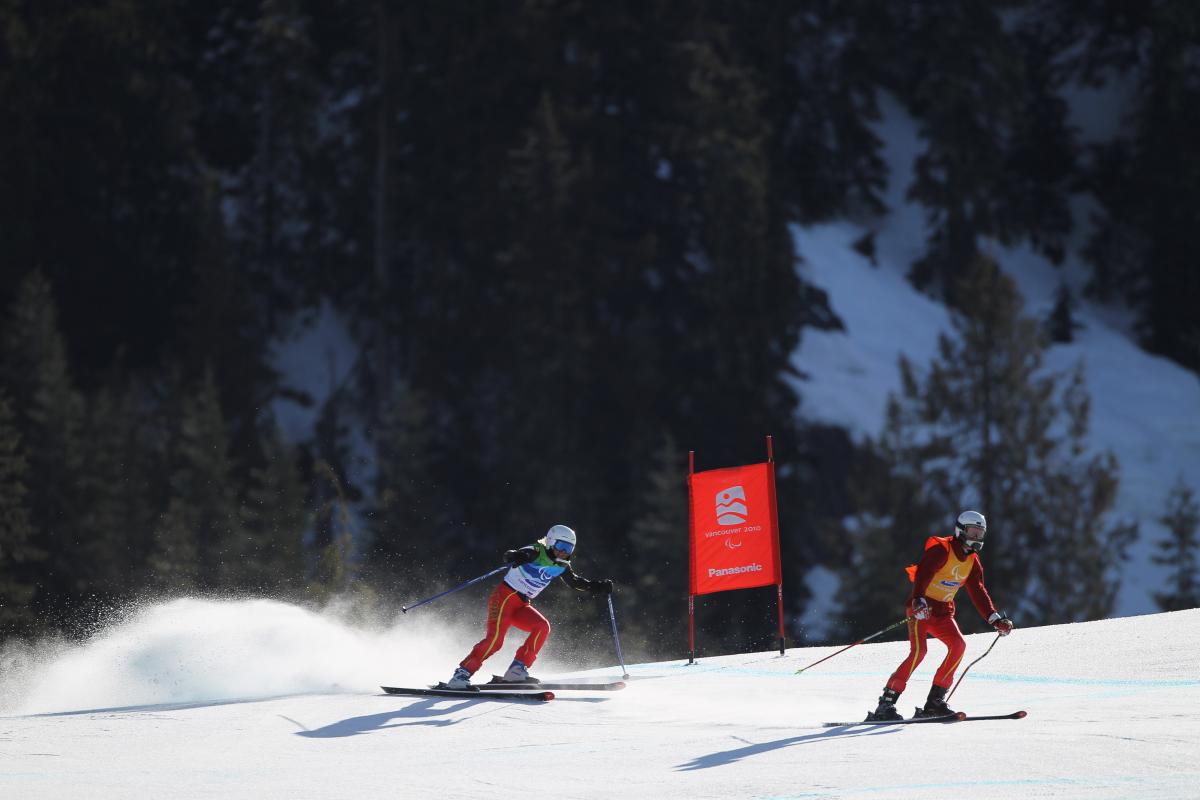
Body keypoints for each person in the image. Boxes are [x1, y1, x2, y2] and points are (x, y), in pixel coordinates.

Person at [867, 510, 1014, 721]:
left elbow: (978, 591)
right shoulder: (941, 549)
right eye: (973, 532)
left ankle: (934, 702)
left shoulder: (973, 561)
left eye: (980, 533)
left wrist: (994, 619)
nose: (976, 537)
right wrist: (918, 600)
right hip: (922, 609)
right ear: (961, 530)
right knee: (919, 652)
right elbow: (923, 574)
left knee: (958, 646)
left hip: (943, 611)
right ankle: (886, 704)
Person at [444, 524, 614, 689]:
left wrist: (598, 586)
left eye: (568, 549)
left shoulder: (562, 565)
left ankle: (516, 670)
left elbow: (575, 582)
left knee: (542, 626)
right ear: (550, 542)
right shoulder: (536, 551)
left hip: (522, 604)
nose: (563, 552)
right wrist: (516, 556)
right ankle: (461, 674)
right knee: (495, 641)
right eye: (560, 546)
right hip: (505, 597)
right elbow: (516, 554)